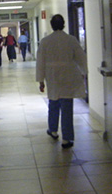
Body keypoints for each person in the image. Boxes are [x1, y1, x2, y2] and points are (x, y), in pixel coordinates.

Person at [36, 14, 87, 149]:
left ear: (52, 26)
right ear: (63, 24)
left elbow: (40, 62)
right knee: (67, 106)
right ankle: (66, 138)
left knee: (53, 102)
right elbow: (81, 57)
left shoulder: (45, 41)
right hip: (68, 74)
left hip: (52, 75)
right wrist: (84, 72)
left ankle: (52, 129)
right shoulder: (71, 40)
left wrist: (41, 80)